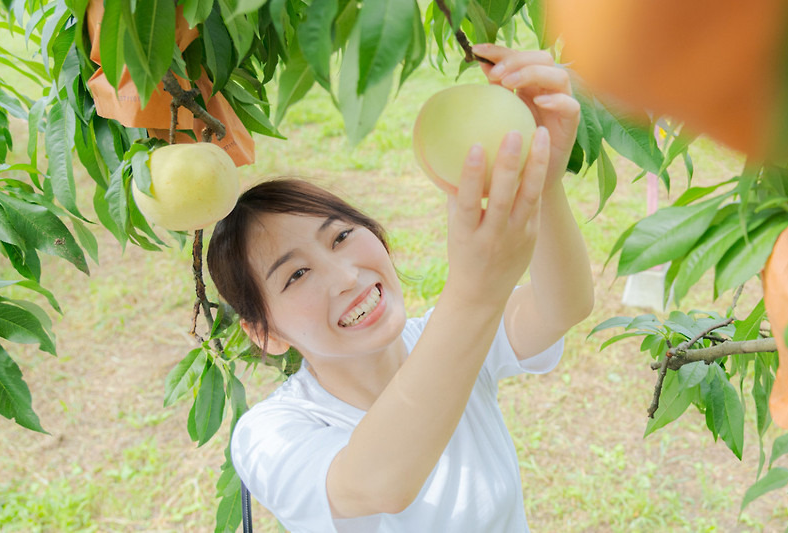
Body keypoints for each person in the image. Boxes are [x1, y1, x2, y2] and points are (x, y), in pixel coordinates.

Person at [204, 44, 593, 532]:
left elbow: (563, 306)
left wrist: (544, 183)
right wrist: (474, 293)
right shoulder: (268, 434)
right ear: (264, 333)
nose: (346, 276)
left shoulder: (447, 340)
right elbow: (377, 483)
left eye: (342, 236)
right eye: (296, 275)